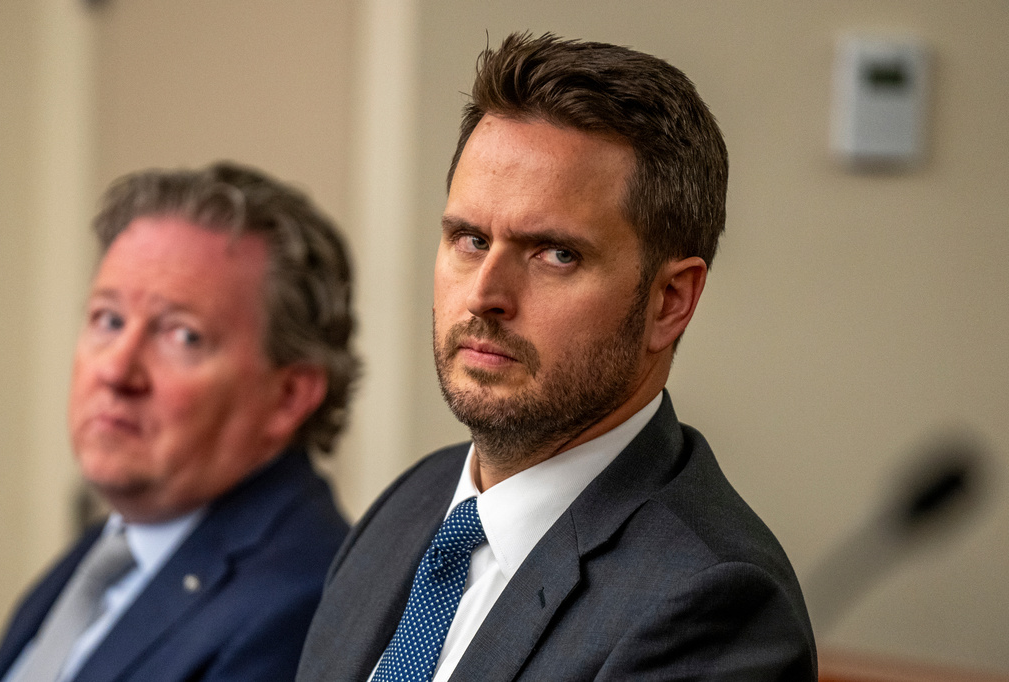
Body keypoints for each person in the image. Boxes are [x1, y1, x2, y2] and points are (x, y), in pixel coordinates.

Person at [297, 32, 816, 681]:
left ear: (670, 301)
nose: (484, 295)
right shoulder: (411, 503)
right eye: (470, 239)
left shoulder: (714, 606)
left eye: (556, 254)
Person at [0, 162, 357, 682]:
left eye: (182, 336)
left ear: (288, 396)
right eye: (109, 319)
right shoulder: (111, 548)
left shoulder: (299, 605)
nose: (116, 370)